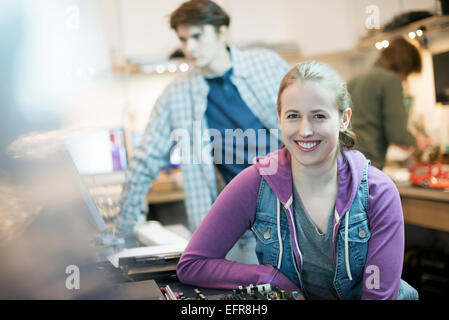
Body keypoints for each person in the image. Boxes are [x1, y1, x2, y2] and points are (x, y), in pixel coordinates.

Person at [177, 61, 419, 300]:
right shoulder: (256, 183)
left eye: (319, 116)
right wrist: (269, 278)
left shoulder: (378, 191)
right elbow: (193, 264)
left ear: (344, 119)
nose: (304, 130)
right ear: (279, 118)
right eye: (293, 116)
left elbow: (378, 297)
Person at [116, 0, 289, 263]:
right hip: (244, 227)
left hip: (295, 210)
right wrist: (124, 230)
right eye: (183, 39)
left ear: (222, 32)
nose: (189, 48)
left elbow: (310, 128)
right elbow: (145, 160)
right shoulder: (176, 94)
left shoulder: (268, 66)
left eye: (197, 36)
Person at [348, 37, 430, 169]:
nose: (406, 79)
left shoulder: (355, 80)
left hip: (346, 162)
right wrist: (416, 141)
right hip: (368, 163)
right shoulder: (391, 80)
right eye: (407, 74)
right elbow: (397, 133)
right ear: (405, 67)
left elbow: (365, 126)